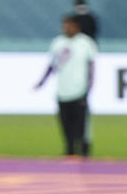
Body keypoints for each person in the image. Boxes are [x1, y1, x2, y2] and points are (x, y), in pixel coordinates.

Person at [35, 13, 95, 158]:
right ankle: (69, 152)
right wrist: (42, 81)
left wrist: (89, 87)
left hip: (79, 91)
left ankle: (83, 152)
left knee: (81, 125)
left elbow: (91, 67)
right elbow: (52, 65)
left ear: (77, 27)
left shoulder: (86, 43)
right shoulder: (57, 43)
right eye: (64, 25)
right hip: (62, 90)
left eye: (69, 25)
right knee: (65, 124)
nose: (66, 28)